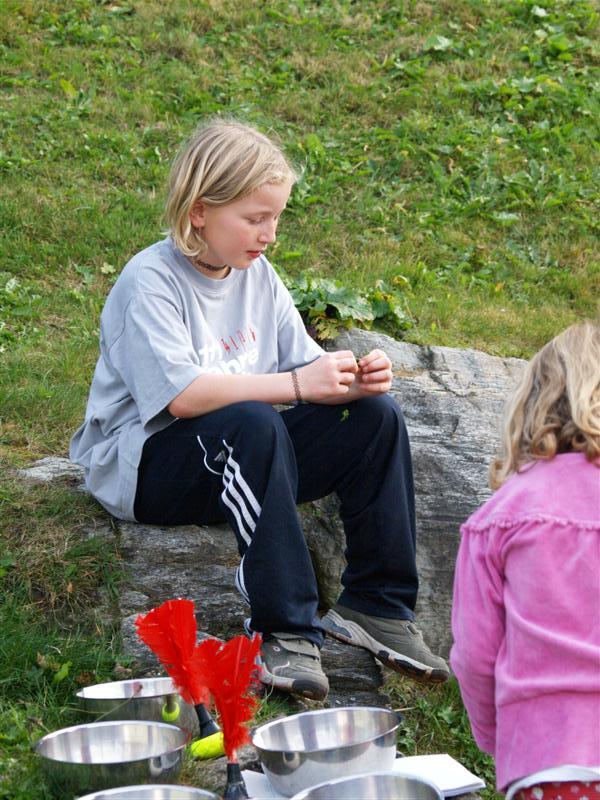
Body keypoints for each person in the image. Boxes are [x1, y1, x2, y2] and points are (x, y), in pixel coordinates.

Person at [71, 118, 449, 701]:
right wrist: (298, 384)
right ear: (199, 211)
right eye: (254, 218)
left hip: (238, 452)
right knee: (255, 420)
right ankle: (285, 629)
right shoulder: (150, 281)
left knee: (376, 419)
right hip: (145, 468)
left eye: (276, 218)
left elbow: (303, 372)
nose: (269, 234)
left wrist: (352, 382)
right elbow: (182, 397)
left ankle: (376, 605)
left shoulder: (258, 276)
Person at [450, 321, 600, 799]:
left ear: (532, 403)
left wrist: (501, 742)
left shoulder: (499, 518)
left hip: (549, 764)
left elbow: (475, 656)